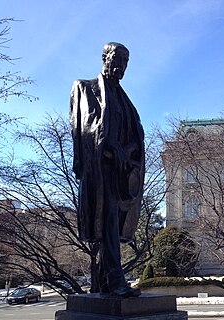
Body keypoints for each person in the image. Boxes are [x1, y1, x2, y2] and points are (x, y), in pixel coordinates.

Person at [69, 42, 144, 297]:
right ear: (104, 58)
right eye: (117, 59)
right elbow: (82, 127)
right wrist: (109, 146)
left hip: (124, 172)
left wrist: (130, 149)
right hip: (101, 167)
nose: (121, 66)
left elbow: (137, 134)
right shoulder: (85, 87)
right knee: (109, 219)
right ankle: (115, 279)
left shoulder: (125, 101)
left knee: (116, 223)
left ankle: (101, 282)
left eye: (126, 61)